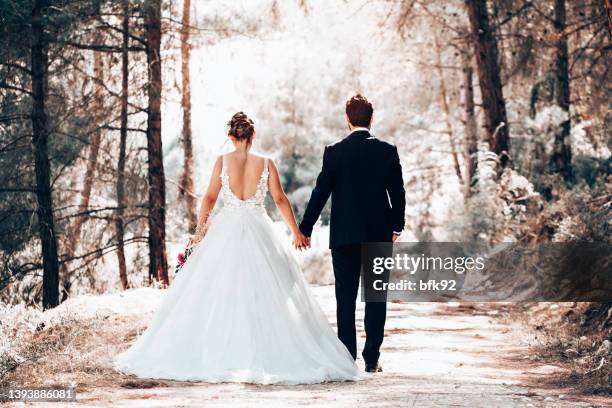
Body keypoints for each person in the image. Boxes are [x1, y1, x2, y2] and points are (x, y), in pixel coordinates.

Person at [114, 112, 358, 384]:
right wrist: (296, 232)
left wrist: (199, 235)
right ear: (253, 136)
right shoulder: (266, 163)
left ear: (231, 137)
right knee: (268, 289)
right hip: (259, 227)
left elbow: (208, 199)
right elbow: (279, 198)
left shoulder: (222, 162)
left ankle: (220, 349)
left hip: (225, 228)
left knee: (215, 288)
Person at [299, 95, 406, 373]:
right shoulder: (387, 150)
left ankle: (347, 358)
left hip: (344, 235)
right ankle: (372, 358)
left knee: (344, 298)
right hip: (378, 234)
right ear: (372, 118)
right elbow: (398, 193)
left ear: (347, 119)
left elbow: (320, 191)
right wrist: (397, 226)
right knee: (375, 297)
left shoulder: (334, 152)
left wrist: (305, 227)